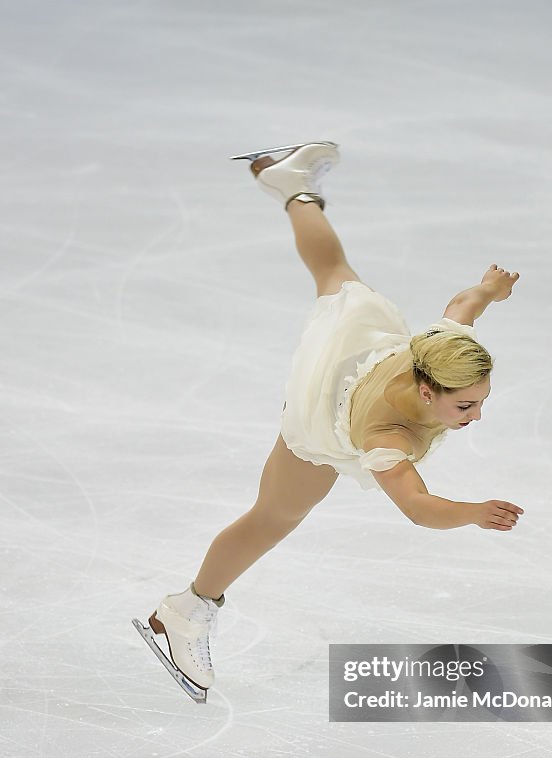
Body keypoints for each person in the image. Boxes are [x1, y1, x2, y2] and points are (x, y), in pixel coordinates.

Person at [132, 141, 524, 702]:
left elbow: (461, 309)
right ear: (425, 388)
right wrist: (472, 514)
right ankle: (186, 610)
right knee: (273, 517)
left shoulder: (444, 350)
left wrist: (487, 291)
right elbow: (417, 508)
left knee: (336, 272)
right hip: (325, 408)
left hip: (360, 342)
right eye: (465, 406)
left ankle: (292, 185)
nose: (476, 415)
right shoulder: (388, 437)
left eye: (481, 401)